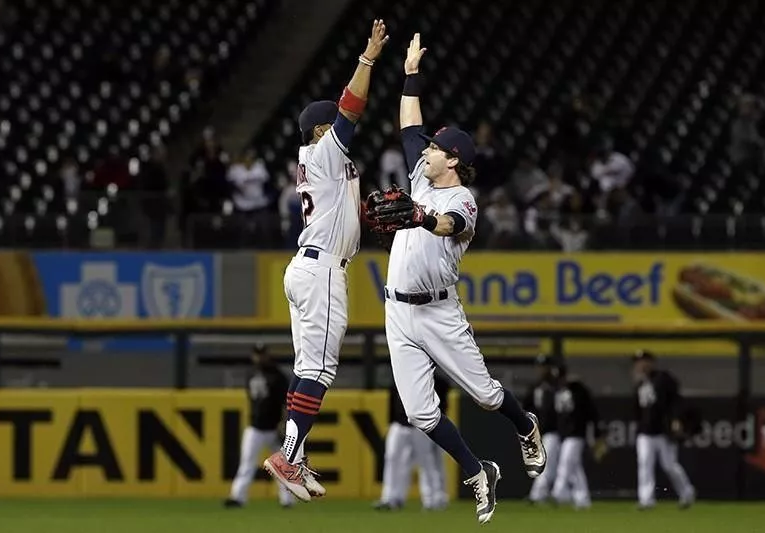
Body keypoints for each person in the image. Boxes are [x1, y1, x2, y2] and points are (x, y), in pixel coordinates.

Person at [372, 33, 546, 525]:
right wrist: (410, 73)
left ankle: (525, 425)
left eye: (434, 149)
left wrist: (420, 218)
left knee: (487, 396)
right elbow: (409, 124)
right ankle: (478, 471)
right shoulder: (421, 179)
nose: (424, 152)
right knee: (420, 414)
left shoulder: (461, 198)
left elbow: (450, 226)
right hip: (398, 309)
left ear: (452, 159)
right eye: (428, 148)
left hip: (437, 311)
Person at [263, 19, 390, 502]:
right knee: (319, 371)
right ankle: (288, 456)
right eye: (330, 122)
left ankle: (295, 452)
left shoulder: (326, 166)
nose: (337, 125)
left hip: (308, 266)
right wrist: (368, 59)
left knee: (305, 369)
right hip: (322, 270)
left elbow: (347, 212)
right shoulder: (322, 152)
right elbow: (351, 110)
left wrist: (368, 215)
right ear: (319, 129)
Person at [225, 344, 294, 508]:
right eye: (257, 354)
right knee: (247, 463)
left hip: (273, 426)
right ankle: (238, 497)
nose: (260, 357)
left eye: (262, 354)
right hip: (255, 427)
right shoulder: (251, 373)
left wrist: (284, 425)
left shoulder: (277, 375)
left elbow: (287, 403)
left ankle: (287, 500)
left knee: (282, 465)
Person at [374, 374, 451, 511]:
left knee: (426, 462)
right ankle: (390, 498)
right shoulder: (400, 376)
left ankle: (431, 500)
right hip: (399, 424)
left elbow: (443, 404)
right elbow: (392, 401)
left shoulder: (435, 381)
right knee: (392, 458)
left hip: (421, 426)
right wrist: (390, 421)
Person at [632, 349, 696, 510]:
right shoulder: (640, 382)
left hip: (663, 431)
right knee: (644, 463)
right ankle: (646, 500)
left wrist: (676, 420)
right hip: (645, 432)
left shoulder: (663, 378)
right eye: (638, 361)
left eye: (644, 361)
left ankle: (687, 493)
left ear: (651, 362)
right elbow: (638, 409)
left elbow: (676, 401)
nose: (641, 364)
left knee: (669, 465)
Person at [550, 363, 603, 510]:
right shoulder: (557, 391)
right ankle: (583, 499)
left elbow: (591, 411)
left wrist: (596, 432)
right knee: (575, 468)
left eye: (560, 377)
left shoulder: (578, 390)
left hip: (576, 433)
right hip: (564, 434)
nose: (559, 380)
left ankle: (558, 492)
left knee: (566, 462)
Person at [524, 355, 560, 505]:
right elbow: (527, 409)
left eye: (544, 366)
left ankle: (537, 495)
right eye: (539, 367)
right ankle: (549, 494)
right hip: (539, 432)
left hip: (554, 431)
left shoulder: (557, 386)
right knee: (549, 465)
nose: (541, 369)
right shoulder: (535, 387)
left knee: (546, 464)